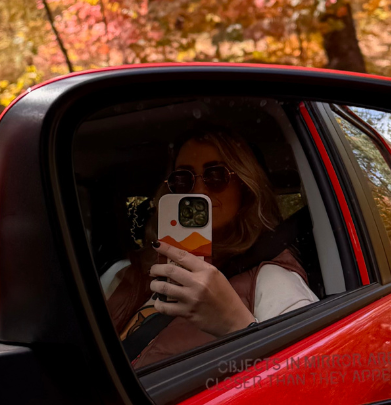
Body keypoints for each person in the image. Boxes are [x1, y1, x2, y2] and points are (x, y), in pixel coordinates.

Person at [104, 129, 317, 369]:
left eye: (216, 176)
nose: (198, 190)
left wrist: (236, 326)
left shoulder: (271, 282)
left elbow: (307, 380)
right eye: (183, 179)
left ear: (245, 189)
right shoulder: (125, 273)